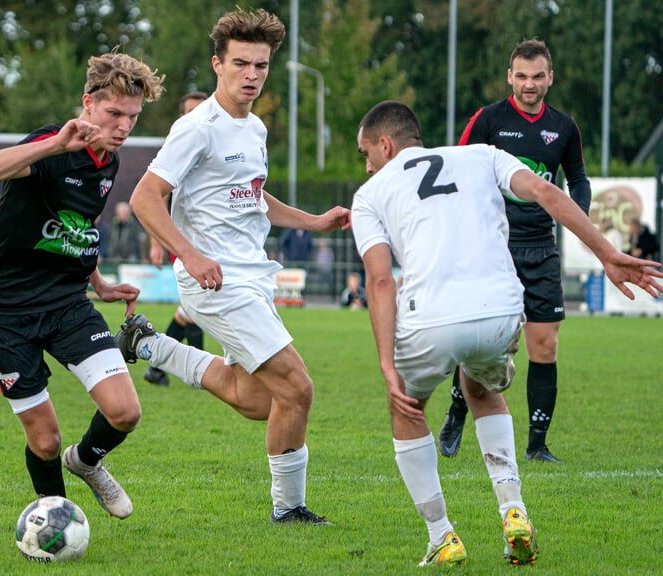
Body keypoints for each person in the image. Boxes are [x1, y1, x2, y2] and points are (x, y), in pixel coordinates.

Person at [351, 100, 661, 567]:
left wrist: (384, 366)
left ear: (385, 144)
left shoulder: (370, 194)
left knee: (409, 407)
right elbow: (549, 193)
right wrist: (607, 254)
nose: (366, 164)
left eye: (365, 153)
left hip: (430, 318)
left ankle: (442, 536)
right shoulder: (482, 154)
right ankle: (513, 510)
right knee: (481, 387)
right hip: (499, 309)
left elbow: (378, 282)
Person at [124, 7, 351, 525]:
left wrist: (313, 222)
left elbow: (254, 198)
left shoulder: (256, 128)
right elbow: (145, 197)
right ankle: (288, 509)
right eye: (242, 63)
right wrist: (191, 253)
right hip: (215, 278)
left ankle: (149, 345)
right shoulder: (196, 127)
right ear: (217, 65)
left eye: (262, 66)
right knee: (297, 387)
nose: (252, 74)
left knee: (257, 400)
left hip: (252, 274)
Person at [0, 52, 164, 520]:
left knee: (125, 412)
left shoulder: (108, 163)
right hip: (3, 308)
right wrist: (54, 145)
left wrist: (99, 283)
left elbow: (80, 226)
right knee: (45, 438)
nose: (123, 126)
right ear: (87, 103)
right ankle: (56, 519)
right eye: (114, 114)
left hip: (66, 301)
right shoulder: (51, 147)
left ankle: (87, 461)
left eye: (132, 118)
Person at [439, 39, 593, 464]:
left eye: (537, 76)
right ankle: (456, 412)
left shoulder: (564, 127)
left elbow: (578, 179)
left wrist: (575, 213)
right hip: (492, 248)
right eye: (521, 76)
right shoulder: (488, 120)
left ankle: (537, 445)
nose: (529, 85)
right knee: (482, 342)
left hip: (540, 248)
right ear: (510, 76)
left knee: (544, 345)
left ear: (550, 78)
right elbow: (456, 171)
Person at [143, 90, 209, 388]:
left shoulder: (213, 141)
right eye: (190, 111)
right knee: (197, 305)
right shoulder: (179, 146)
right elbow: (156, 194)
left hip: (209, 239)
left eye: (201, 109)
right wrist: (157, 241)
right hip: (184, 240)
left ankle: (158, 363)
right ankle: (199, 367)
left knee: (192, 309)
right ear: (181, 116)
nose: (196, 115)